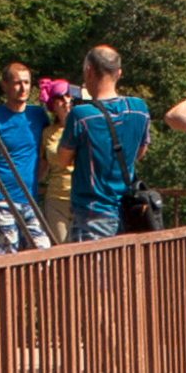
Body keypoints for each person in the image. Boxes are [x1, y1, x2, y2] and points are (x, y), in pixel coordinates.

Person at [67, 44, 151, 239]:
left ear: (88, 70)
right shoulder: (138, 108)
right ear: (118, 73)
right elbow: (140, 153)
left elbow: (63, 159)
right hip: (128, 210)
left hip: (92, 213)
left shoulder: (81, 114)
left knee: (88, 261)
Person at [0, 61, 49, 249]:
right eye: (17, 83)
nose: (23, 88)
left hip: (30, 198)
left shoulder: (38, 115)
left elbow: (49, 149)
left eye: (26, 82)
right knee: (7, 255)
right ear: (4, 85)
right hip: (2, 199)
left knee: (42, 250)